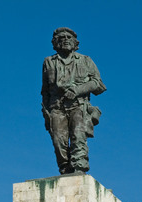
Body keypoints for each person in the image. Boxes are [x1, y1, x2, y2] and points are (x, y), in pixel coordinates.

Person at [41, 27, 106, 174]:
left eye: (68, 37)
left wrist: (77, 90)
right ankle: (65, 168)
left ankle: (79, 167)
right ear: (55, 42)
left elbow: (98, 84)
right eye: (61, 37)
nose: (65, 40)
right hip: (56, 107)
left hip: (78, 105)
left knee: (78, 136)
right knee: (58, 141)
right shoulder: (48, 62)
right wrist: (46, 112)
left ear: (75, 42)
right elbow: (45, 90)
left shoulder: (85, 60)